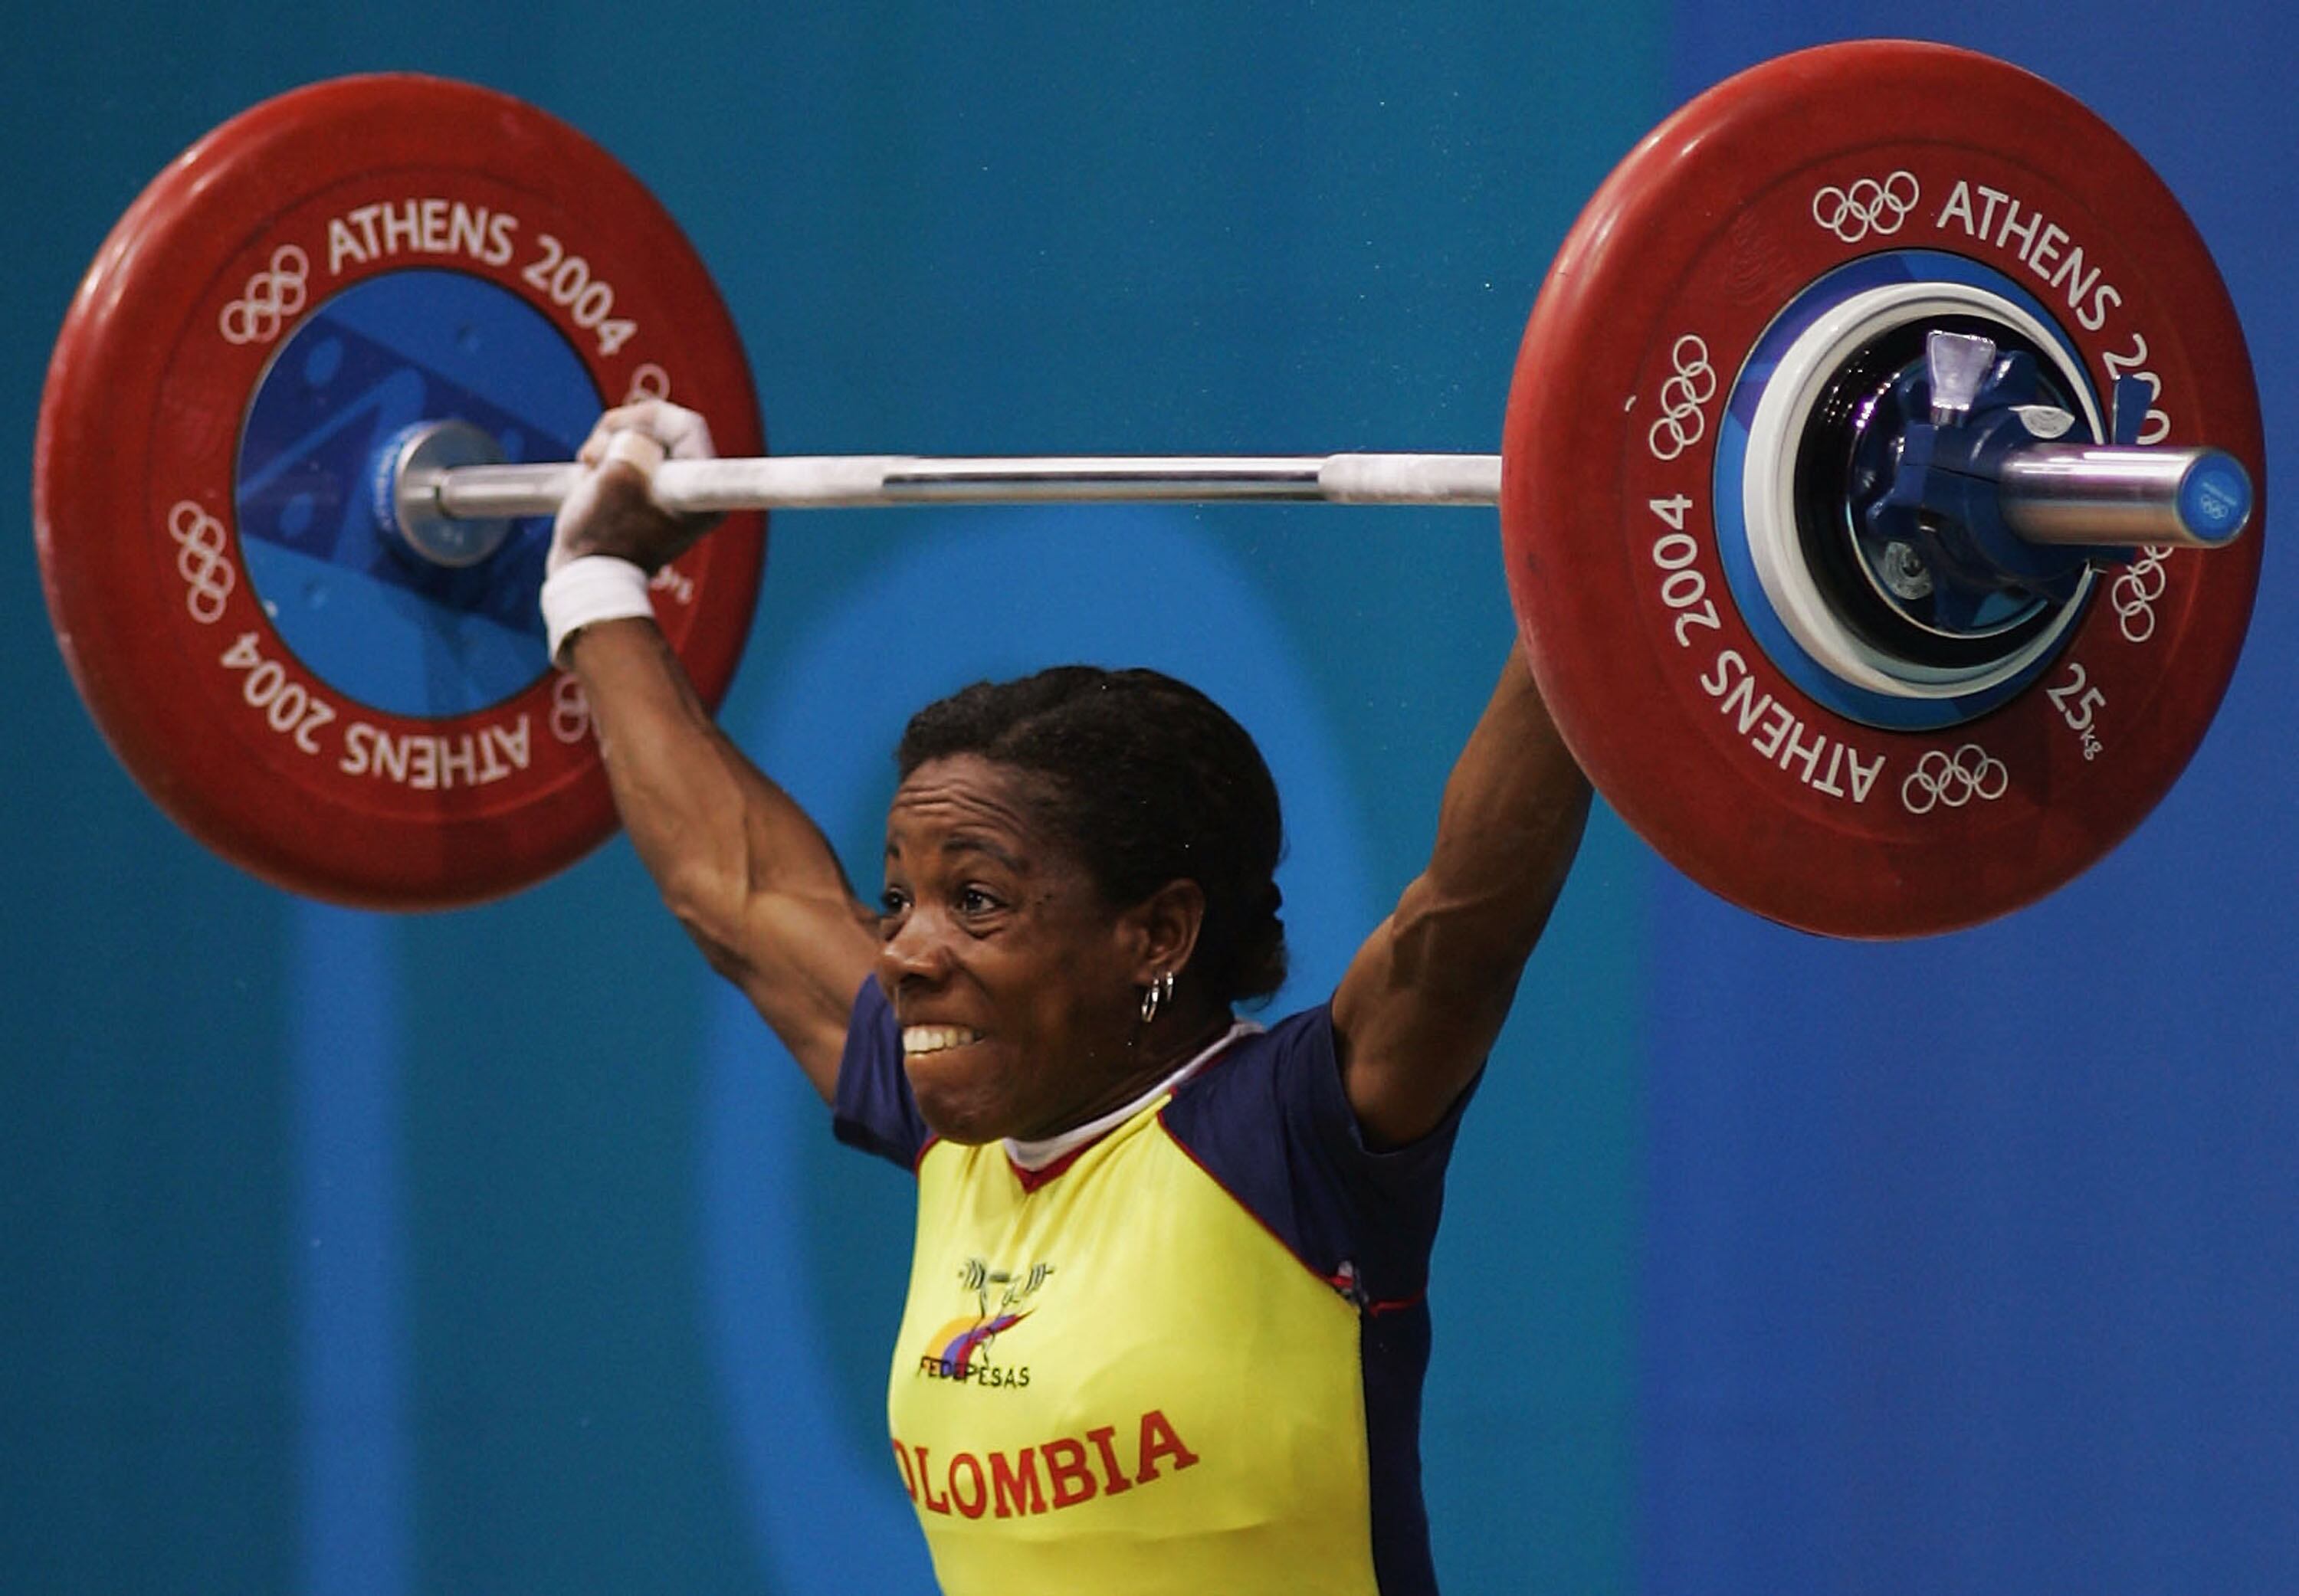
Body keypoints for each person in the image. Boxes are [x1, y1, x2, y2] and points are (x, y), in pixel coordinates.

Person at [540, 403, 1592, 1595]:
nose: (905, 953)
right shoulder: (954, 1122)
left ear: (1157, 933)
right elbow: (737, 893)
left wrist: (1598, 561)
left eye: (977, 901)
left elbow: (1471, 910)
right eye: (900, 898)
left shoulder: (1292, 1139)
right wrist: (595, 586)